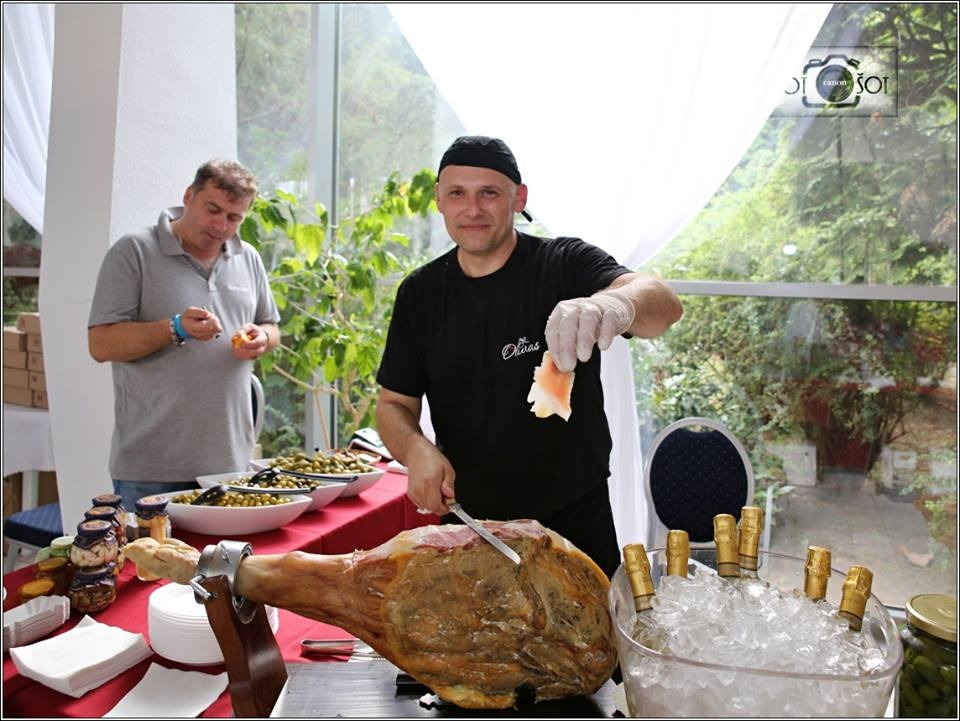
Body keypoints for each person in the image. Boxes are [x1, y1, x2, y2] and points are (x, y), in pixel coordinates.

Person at [375, 136, 683, 577]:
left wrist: (612, 304)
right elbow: (393, 404)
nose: (472, 209)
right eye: (457, 193)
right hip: (472, 526)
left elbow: (664, 303)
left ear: (518, 199)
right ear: (439, 200)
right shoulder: (420, 294)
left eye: (489, 193)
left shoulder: (564, 263)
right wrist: (414, 448)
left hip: (573, 522)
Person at [88, 158, 281, 510]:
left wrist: (263, 338)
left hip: (230, 464)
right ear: (189, 195)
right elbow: (100, 344)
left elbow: (271, 326)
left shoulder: (248, 257)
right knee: (150, 550)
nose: (221, 226)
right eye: (213, 209)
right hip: (151, 469)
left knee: (227, 551)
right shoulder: (134, 251)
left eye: (234, 217)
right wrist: (174, 328)